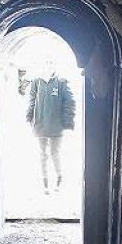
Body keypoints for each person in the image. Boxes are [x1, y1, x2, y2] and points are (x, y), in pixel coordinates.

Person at [26, 56, 76, 192]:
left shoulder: (62, 82)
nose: (48, 65)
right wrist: (29, 117)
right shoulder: (36, 82)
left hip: (56, 125)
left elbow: (70, 103)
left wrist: (68, 122)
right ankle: (45, 181)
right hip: (40, 124)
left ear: (55, 65)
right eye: (45, 62)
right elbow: (31, 101)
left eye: (50, 62)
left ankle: (60, 177)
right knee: (42, 154)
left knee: (55, 153)